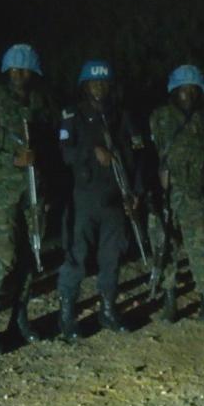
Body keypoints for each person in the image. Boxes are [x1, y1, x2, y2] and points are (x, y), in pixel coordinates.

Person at [0, 43, 51, 353]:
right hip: (5, 191)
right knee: (4, 257)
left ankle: (19, 317)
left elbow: (50, 144)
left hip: (35, 190)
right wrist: (11, 158)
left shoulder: (41, 103)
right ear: (7, 71)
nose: (20, 75)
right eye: (15, 70)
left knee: (33, 253)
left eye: (25, 70)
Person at [57, 59, 143, 341]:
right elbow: (64, 153)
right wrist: (91, 150)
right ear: (84, 86)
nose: (99, 87)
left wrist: (136, 193)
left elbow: (136, 156)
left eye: (104, 82)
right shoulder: (73, 115)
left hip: (116, 198)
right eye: (94, 83)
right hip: (83, 198)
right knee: (76, 257)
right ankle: (67, 317)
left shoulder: (121, 116)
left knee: (113, 256)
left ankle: (108, 310)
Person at [147, 64, 204, 325]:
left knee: (200, 250)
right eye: (183, 89)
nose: (188, 94)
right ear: (174, 91)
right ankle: (169, 301)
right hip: (166, 194)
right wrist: (150, 190)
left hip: (195, 195)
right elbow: (146, 155)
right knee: (164, 249)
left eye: (193, 90)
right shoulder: (159, 117)